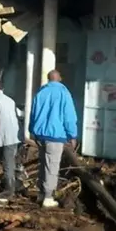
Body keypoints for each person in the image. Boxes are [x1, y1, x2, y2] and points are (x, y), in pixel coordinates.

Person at [29, 70, 78, 208]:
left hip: (40, 135)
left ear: (48, 79)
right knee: (52, 166)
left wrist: (32, 131)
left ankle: (41, 193)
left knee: (43, 164)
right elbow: (69, 117)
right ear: (60, 78)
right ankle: (48, 197)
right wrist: (72, 135)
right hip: (55, 136)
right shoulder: (64, 93)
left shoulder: (40, 93)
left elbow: (33, 114)